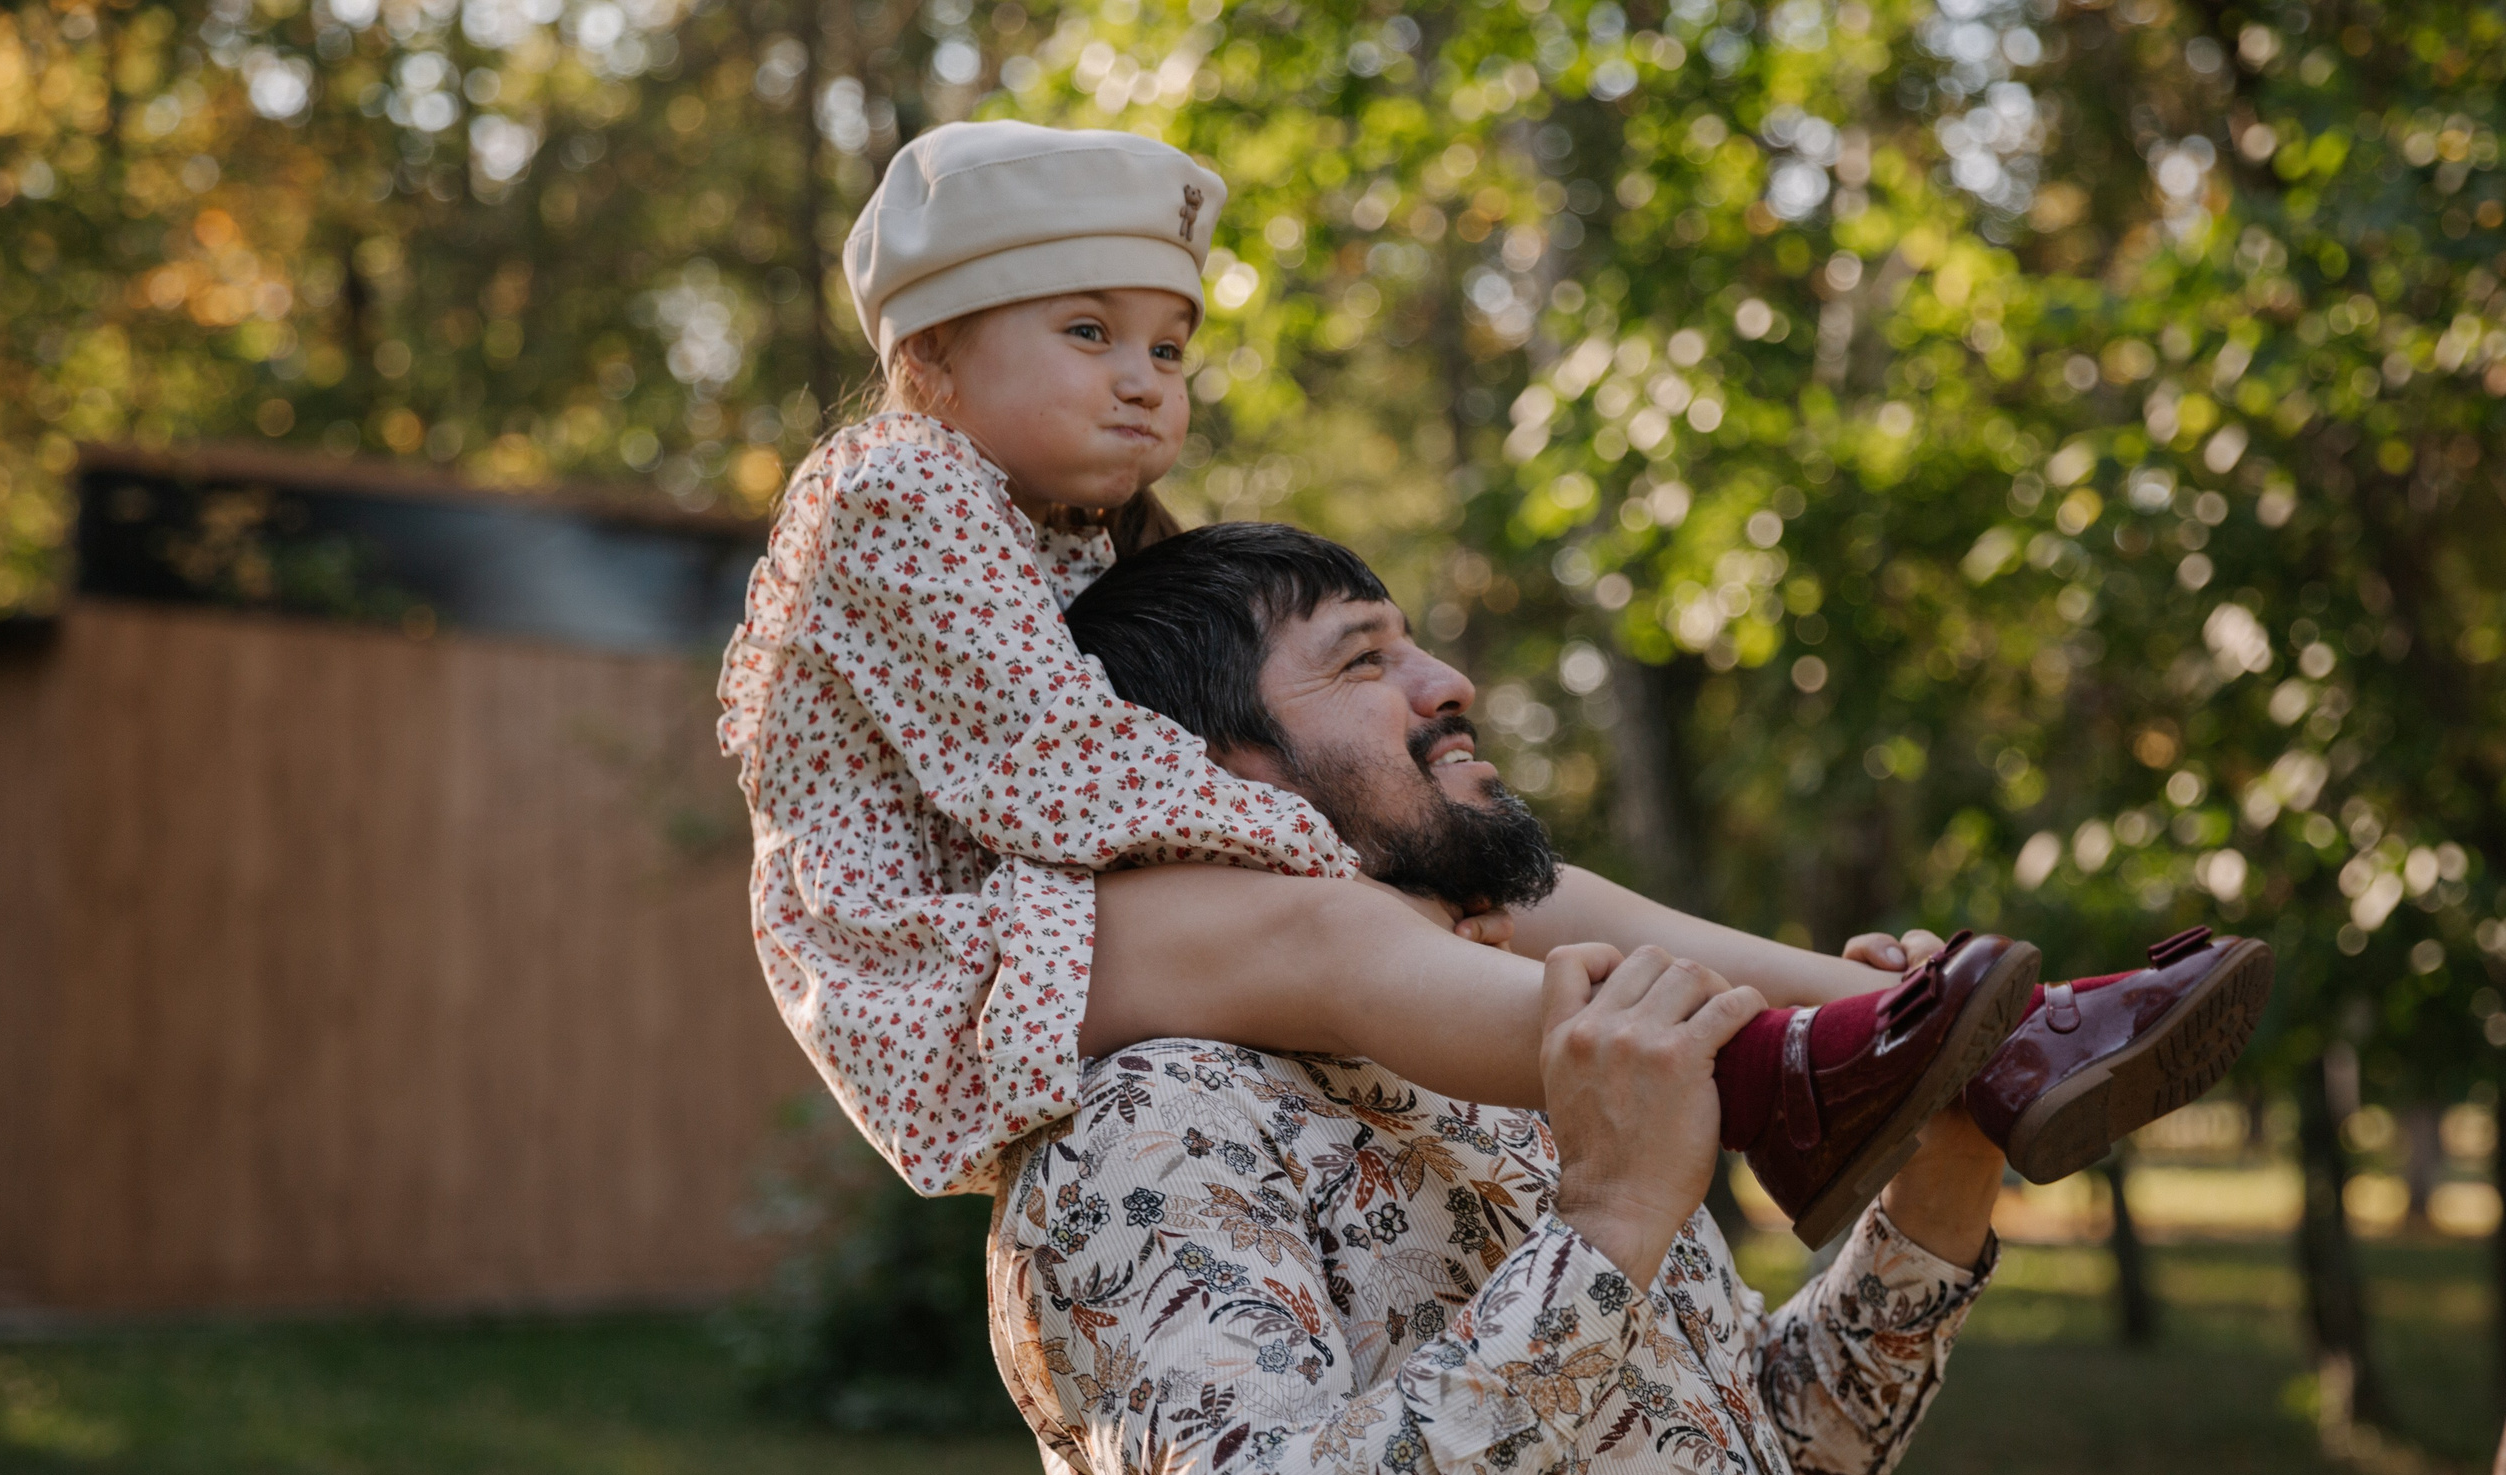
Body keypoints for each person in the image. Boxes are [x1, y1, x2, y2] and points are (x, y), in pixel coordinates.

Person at [985, 523, 2269, 1475]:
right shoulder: (1147, 1122)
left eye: (1414, 643)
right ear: (1212, 768)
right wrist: (1604, 1228)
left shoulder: (1515, 1052)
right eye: (1363, 659)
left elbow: (1776, 1471)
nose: (1447, 681)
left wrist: (1945, 1164)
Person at [716, 119, 2049, 1251]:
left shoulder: (1075, 533)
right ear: (932, 360)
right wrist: (1341, 861)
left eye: (1168, 350)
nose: (1141, 383)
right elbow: (1053, 762)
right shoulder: (900, 484)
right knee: (1335, 923)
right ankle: (1760, 1080)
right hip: (938, 950)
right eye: (1087, 331)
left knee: (1490, 873)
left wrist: (1389, 862)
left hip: (1058, 893)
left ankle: (1909, 1019)